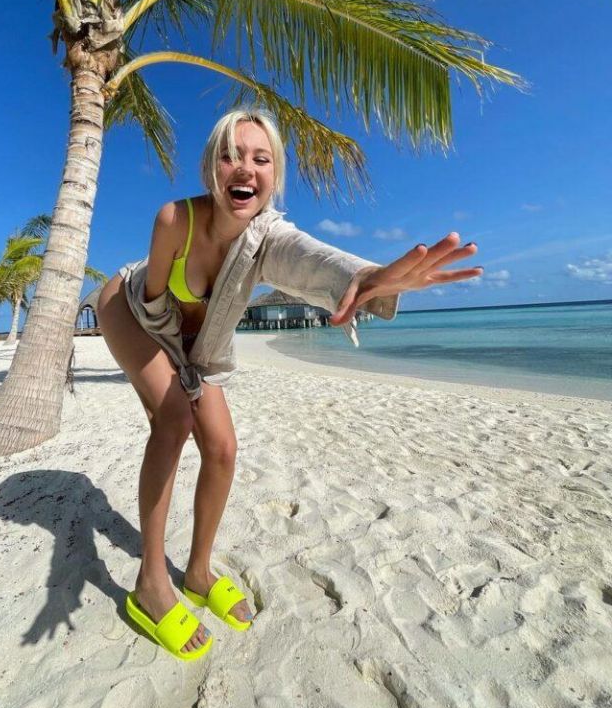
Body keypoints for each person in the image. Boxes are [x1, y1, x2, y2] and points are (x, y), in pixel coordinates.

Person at [95, 108, 482, 660]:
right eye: (230, 155)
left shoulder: (267, 238)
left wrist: (367, 278)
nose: (244, 167)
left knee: (223, 449)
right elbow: (155, 310)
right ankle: (151, 585)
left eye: (261, 158)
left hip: (196, 345)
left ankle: (198, 573)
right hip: (130, 309)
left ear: (274, 176)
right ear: (210, 168)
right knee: (175, 419)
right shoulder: (174, 219)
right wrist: (174, 394)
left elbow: (311, 260)